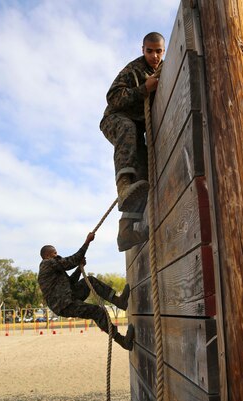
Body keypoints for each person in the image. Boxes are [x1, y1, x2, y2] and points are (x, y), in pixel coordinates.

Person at [100, 32, 165, 251]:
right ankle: (123, 186)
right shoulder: (134, 69)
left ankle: (126, 231)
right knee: (127, 128)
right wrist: (144, 89)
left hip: (137, 130)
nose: (154, 56)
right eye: (150, 51)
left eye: (158, 51)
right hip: (115, 120)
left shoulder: (165, 69)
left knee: (143, 171)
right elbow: (113, 97)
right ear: (143, 50)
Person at [38, 232, 134, 350]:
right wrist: (87, 242)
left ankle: (119, 301)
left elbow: (71, 282)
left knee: (90, 280)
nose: (57, 255)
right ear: (47, 256)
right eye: (55, 253)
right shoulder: (47, 263)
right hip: (64, 304)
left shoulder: (54, 269)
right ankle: (123, 341)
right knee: (97, 312)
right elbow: (70, 261)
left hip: (69, 298)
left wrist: (79, 268)